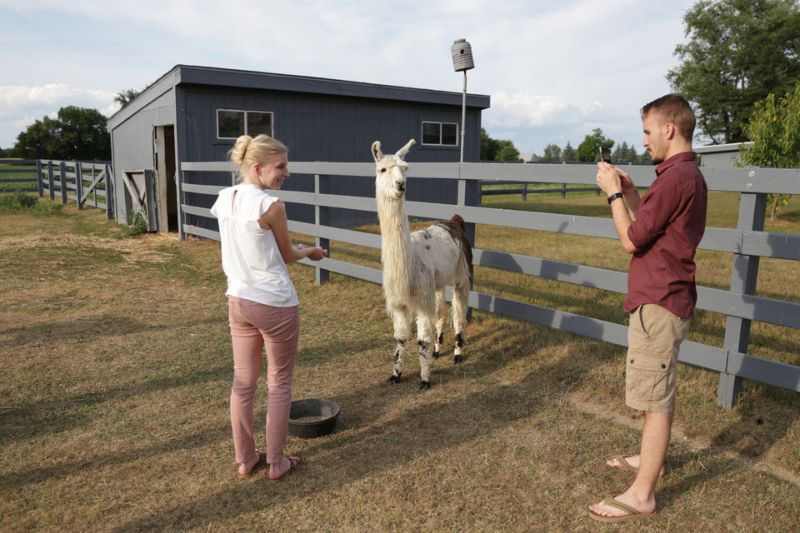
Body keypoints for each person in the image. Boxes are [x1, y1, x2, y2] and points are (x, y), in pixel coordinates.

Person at [589, 93, 707, 522]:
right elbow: (649, 228)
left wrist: (613, 196)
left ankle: (643, 495)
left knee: (656, 397)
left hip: (660, 300)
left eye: (646, 131)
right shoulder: (681, 175)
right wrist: (634, 193)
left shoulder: (677, 178)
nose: (643, 142)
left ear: (669, 129)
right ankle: (647, 457)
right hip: (662, 297)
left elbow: (630, 240)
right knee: (652, 387)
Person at [210, 134, 327, 480]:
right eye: (281, 166)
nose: (286, 172)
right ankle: (277, 462)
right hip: (274, 303)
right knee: (279, 383)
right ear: (257, 168)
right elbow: (289, 255)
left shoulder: (223, 199)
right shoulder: (271, 205)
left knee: (243, 383)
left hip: (238, 300)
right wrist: (312, 251)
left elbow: (252, 247)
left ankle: (246, 459)